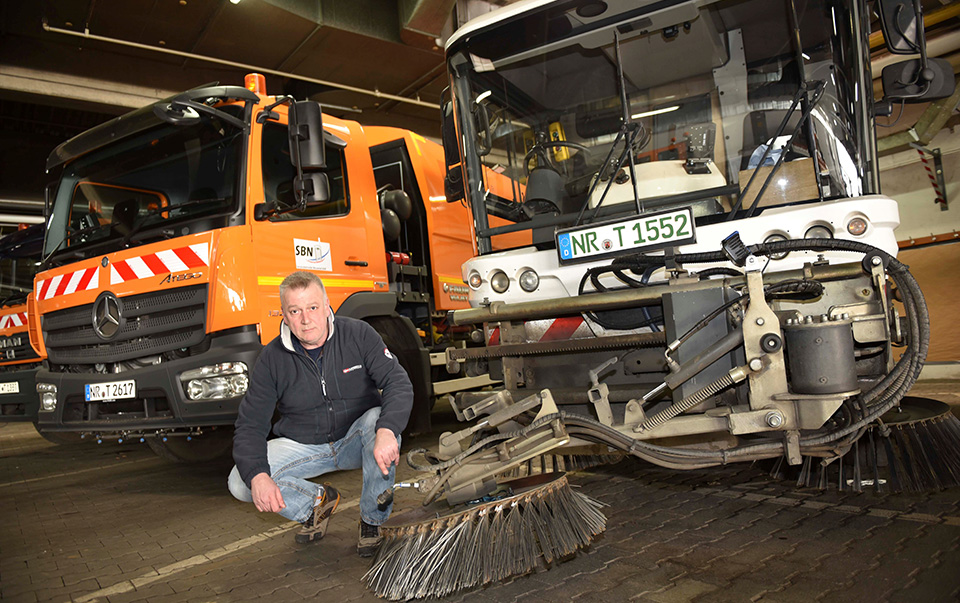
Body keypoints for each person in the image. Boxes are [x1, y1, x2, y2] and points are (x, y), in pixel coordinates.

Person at [228, 271, 413, 556]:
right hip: (305, 446)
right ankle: (316, 503)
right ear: (284, 316)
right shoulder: (272, 359)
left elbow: (397, 382)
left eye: (313, 307)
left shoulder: (359, 335)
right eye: (295, 311)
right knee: (242, 482)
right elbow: (250, 425)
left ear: (327, 305)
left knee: (379, 420)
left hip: (356, 439)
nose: (305, 319)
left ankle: (373, 520)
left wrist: (388, 430)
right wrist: (258, 477)